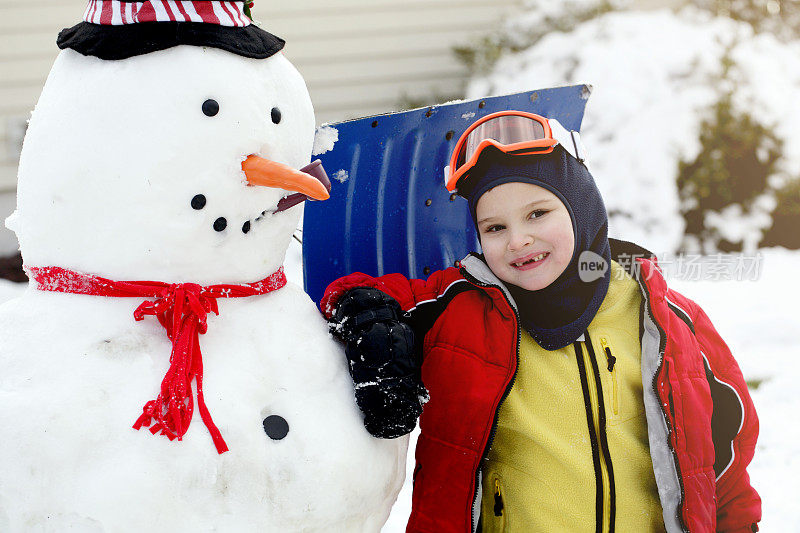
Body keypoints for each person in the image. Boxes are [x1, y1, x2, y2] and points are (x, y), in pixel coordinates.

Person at [320, 111, 761, 533]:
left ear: (582, 206)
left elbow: (726, 456)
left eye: (537, 214)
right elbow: (358, 291)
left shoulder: (667, 320)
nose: (517, 240)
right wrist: (367, 318)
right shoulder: (461, 306)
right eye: (494, 228)